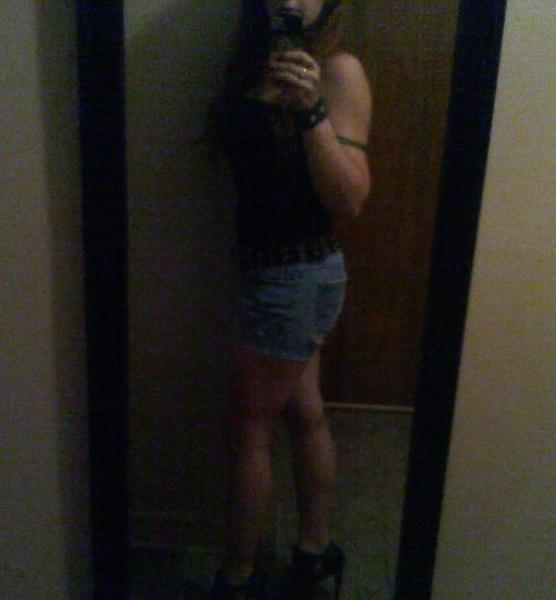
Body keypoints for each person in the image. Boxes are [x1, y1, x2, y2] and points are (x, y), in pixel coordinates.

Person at [206, 1, 371, 597]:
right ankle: (313, 553)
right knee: (304, 414)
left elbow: (350, 199)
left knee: (246, 427)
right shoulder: (250, 62)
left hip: (296, 276)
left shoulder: (338, 70)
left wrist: (311, 110)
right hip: (273, 273)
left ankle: (236, 580)